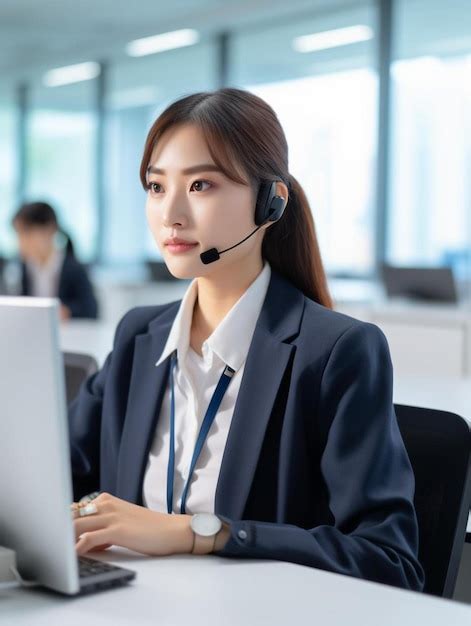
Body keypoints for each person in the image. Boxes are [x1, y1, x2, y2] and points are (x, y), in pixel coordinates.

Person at [68, 88, 425, 591]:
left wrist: (200, 534)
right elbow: (56, 473)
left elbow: (388, 559)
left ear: (270, 203)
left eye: (201, 186)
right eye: (155, 186)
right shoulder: (139, 338)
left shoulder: (336, 353)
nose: (171, 213)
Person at [12, 201, 98, 319]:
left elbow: (91, 310)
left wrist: (67, 312)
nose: (21, 242)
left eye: (26, 234)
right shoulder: (25, 266)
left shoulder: (74, 268)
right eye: (18, 234)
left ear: (49, 230)